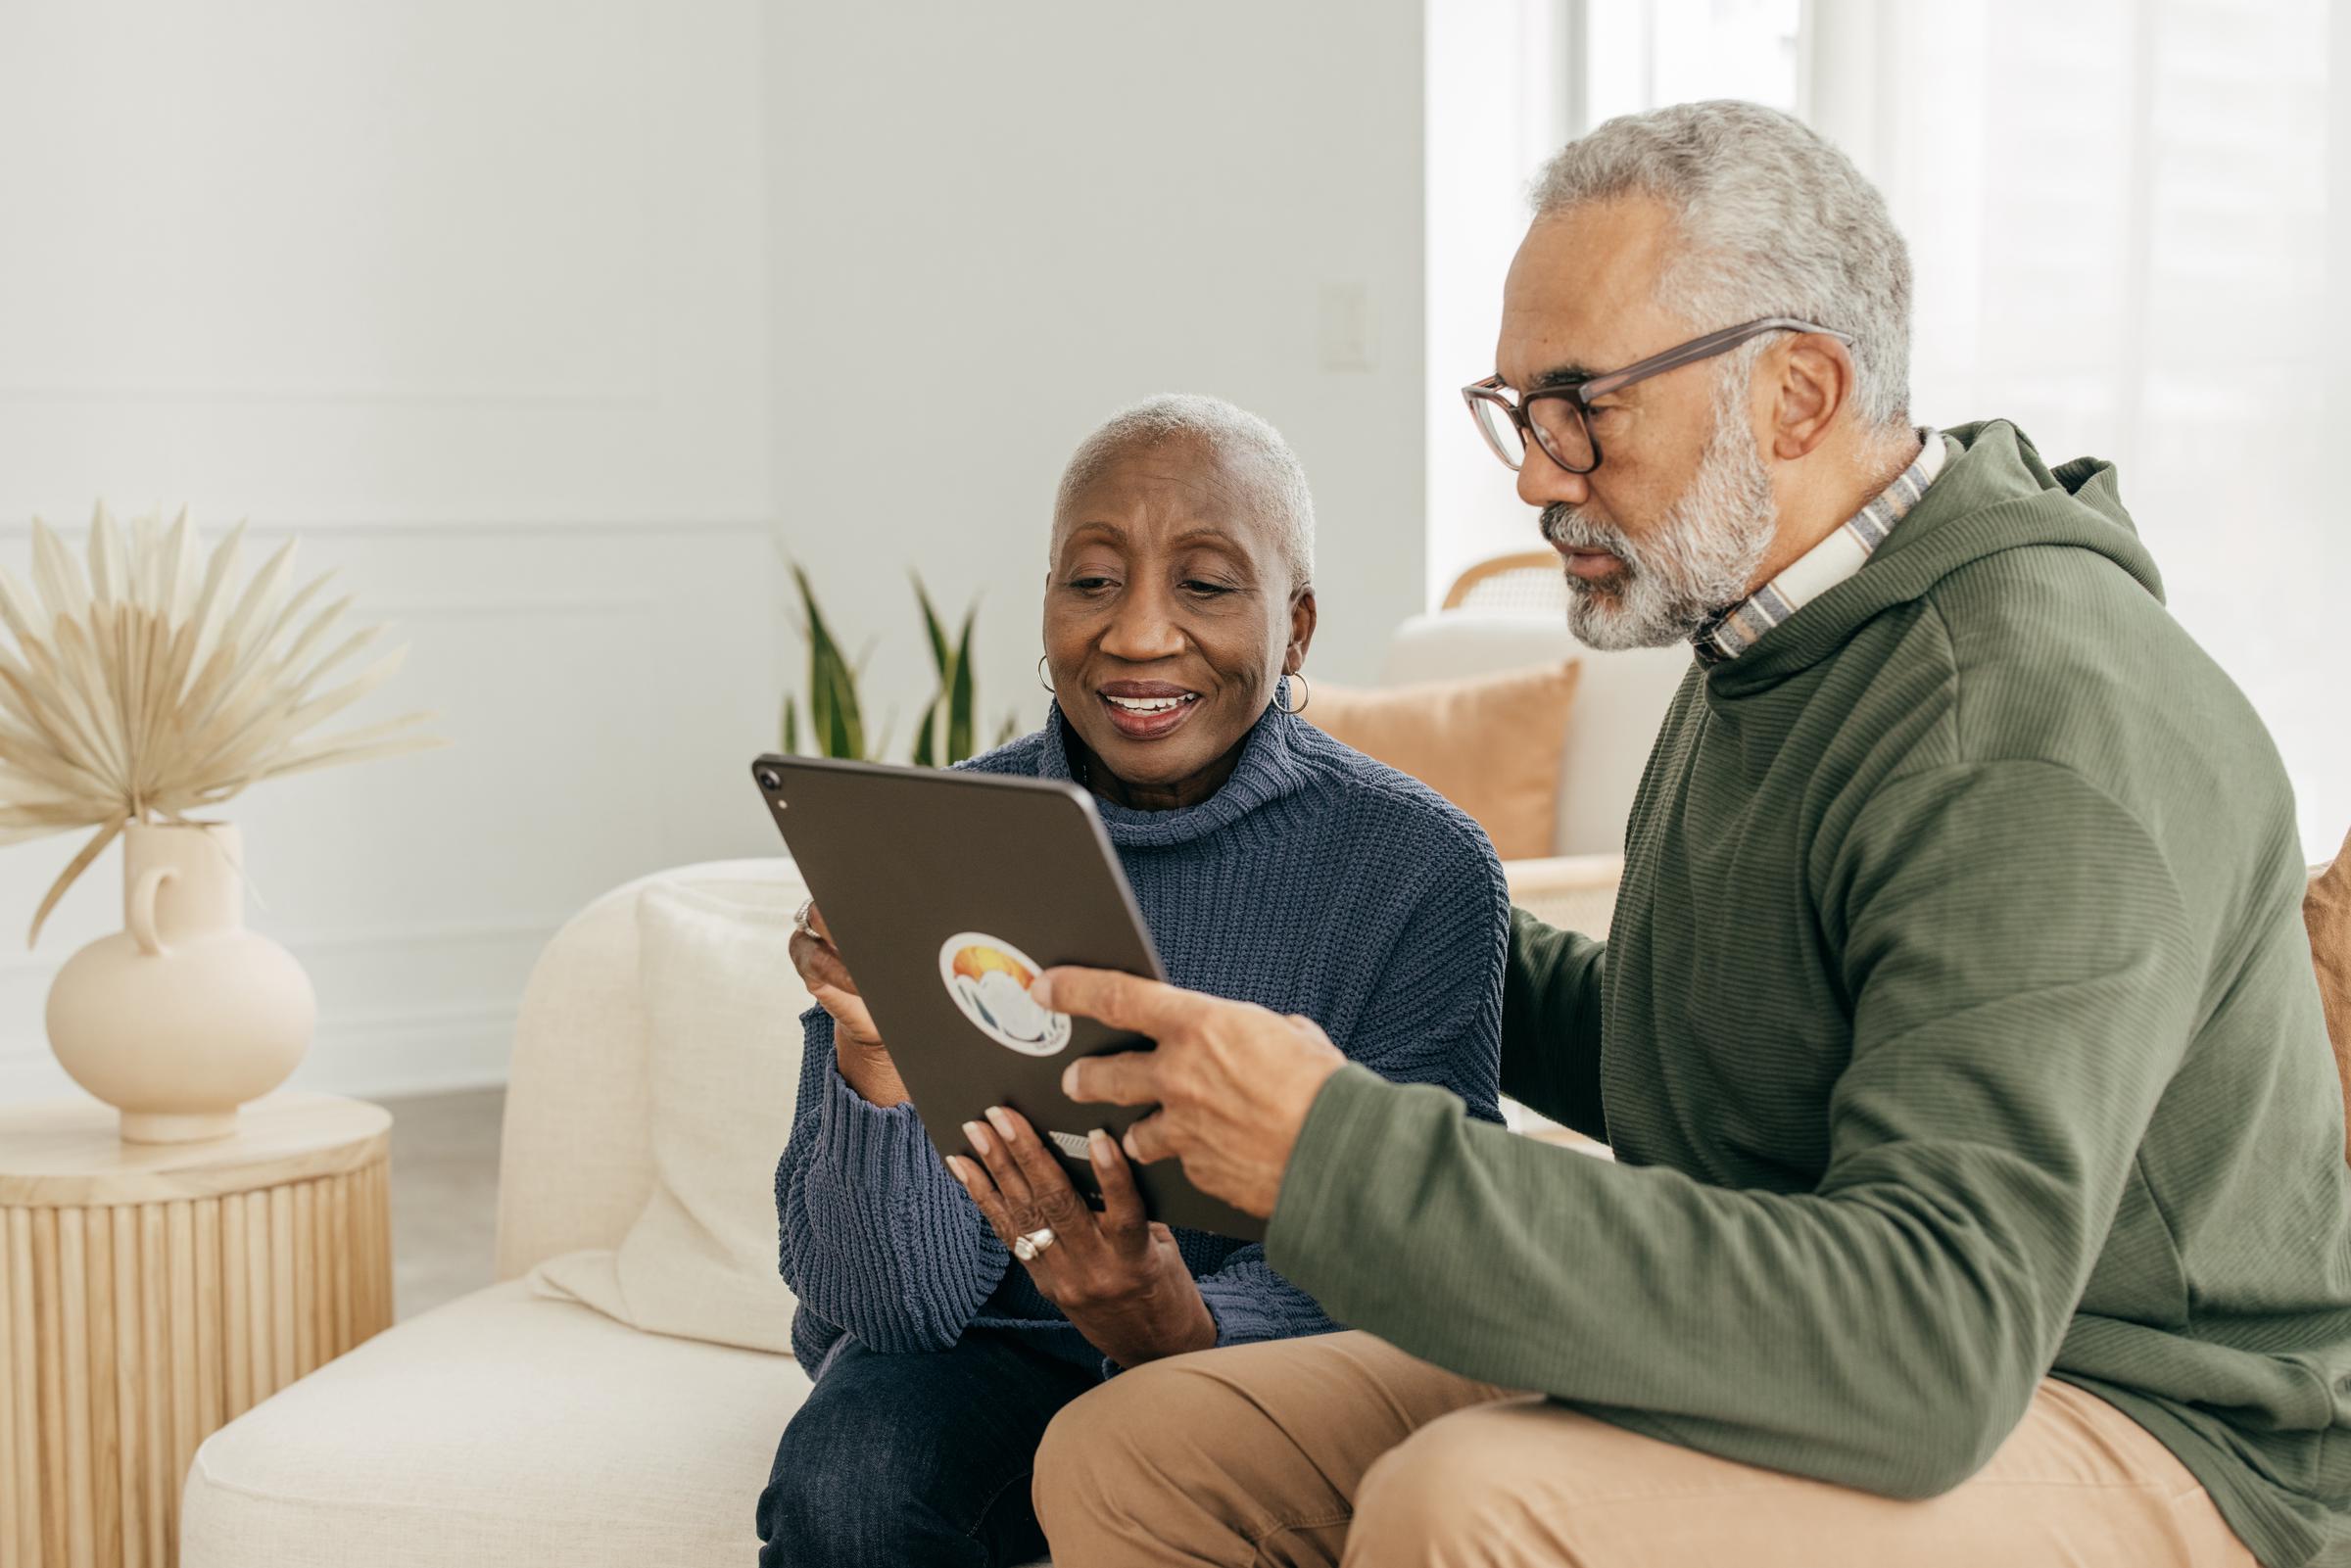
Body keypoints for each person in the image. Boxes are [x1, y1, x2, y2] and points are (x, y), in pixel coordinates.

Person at [1026, 102, 2351, 1567]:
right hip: (1802, 1329)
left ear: (1797, 392)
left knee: (1468, 1505)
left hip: (2135, 1412)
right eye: (1520, 406)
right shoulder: (1775, 636)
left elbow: (1933, 1337)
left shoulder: (2028, 720)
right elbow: (1721, 1057)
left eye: (1586, 401)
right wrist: (1344, 900)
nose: (1536, 471)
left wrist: (1336, 1153)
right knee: (1135, 1456)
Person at [750, 393, 1509, 1567]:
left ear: (1295, 626)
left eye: (1206, 585)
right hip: (990, 1349)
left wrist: (1182, 1321)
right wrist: (874, 1052)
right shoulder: (933, 834)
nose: (1140, 634)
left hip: (1262, 1359)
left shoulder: (1416, 865)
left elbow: (1432, 1255)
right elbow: (880, 1306)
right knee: (845, 1481)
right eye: (1092, 581)